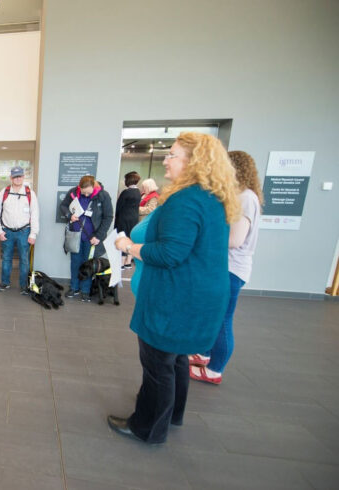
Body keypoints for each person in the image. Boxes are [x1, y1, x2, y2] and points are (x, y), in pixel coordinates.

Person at [108, 132, 240, 444]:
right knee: (176, 357)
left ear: (195, 162)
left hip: (176, 298)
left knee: (157, 365)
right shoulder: (211, 197)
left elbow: (168, 253)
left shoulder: (185, 200)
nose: (166, 160)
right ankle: (173, 415)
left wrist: (129, 245)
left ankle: (147, 427)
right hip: (197, 295)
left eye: (173, 155)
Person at [189, 150, 262, 385]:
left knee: (223, 319)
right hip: (223, 267)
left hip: (232, 269)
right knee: (214, 315)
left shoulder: (246, 198)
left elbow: (234, 240)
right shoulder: (238, 196)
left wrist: (202, 237)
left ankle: (214, 369)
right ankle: (206, 354)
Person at [59, 175, 113, 302]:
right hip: (75, 235)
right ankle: (74, 287)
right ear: (79, 187)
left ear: (94, 186)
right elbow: (63, 206)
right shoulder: (73, 192)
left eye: (88, 192)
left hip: (91, 237)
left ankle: (85, 290)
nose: (86, 195)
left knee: (88, 265)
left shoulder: (103, 196)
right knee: (75, 262)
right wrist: (69, 215)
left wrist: (98, 236)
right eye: (84, 192)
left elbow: (108, 217)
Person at [0, 166, 40, 294]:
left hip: (24, 232)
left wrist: (33, 233)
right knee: (6, 258)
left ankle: (24, 286)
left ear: (23, 177)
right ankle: (5, 282)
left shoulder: (30, 193)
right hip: (7, 231)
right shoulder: (4, 192)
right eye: (15, 177)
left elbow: (35, 214)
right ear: (11, 178)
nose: (18, 179)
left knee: (24, 260)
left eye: (20, 176)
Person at [114, 171, 141, 269]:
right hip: (134, 218)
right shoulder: (138, 192)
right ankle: (128, 262)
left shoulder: (126, 192)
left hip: (123, 219)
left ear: (128, 180)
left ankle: (121, 263)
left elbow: (118, 207)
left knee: (122, 237)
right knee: (130, 238)